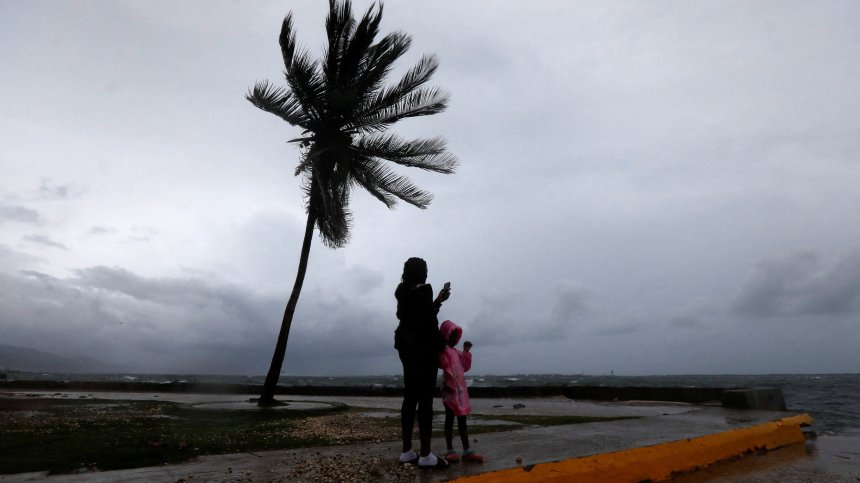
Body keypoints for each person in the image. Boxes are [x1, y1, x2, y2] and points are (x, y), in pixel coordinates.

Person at [394, 257, 450, 469]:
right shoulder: (424, 290)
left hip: (406, 347)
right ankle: (426, 456)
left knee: (410, 397)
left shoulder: (402, 292)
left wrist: (438, 302)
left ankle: (407, 452)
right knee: (425, 400)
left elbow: (417, 316)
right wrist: (443, 345)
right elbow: (429, 323)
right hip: (424, 350)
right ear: (423, 273)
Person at [438, 319, 483, 463]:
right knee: (450, 419)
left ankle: (466, 450)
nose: (454, 338)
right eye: (451, 335)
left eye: (455, 336)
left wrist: (466, 352)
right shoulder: (443, 350)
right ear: (446, 335)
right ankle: (450, 450)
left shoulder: (456, 352)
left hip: (460, 392)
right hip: (450, 391)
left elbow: (464, 366)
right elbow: (443, 363)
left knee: (462, 420)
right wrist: (441, 348)